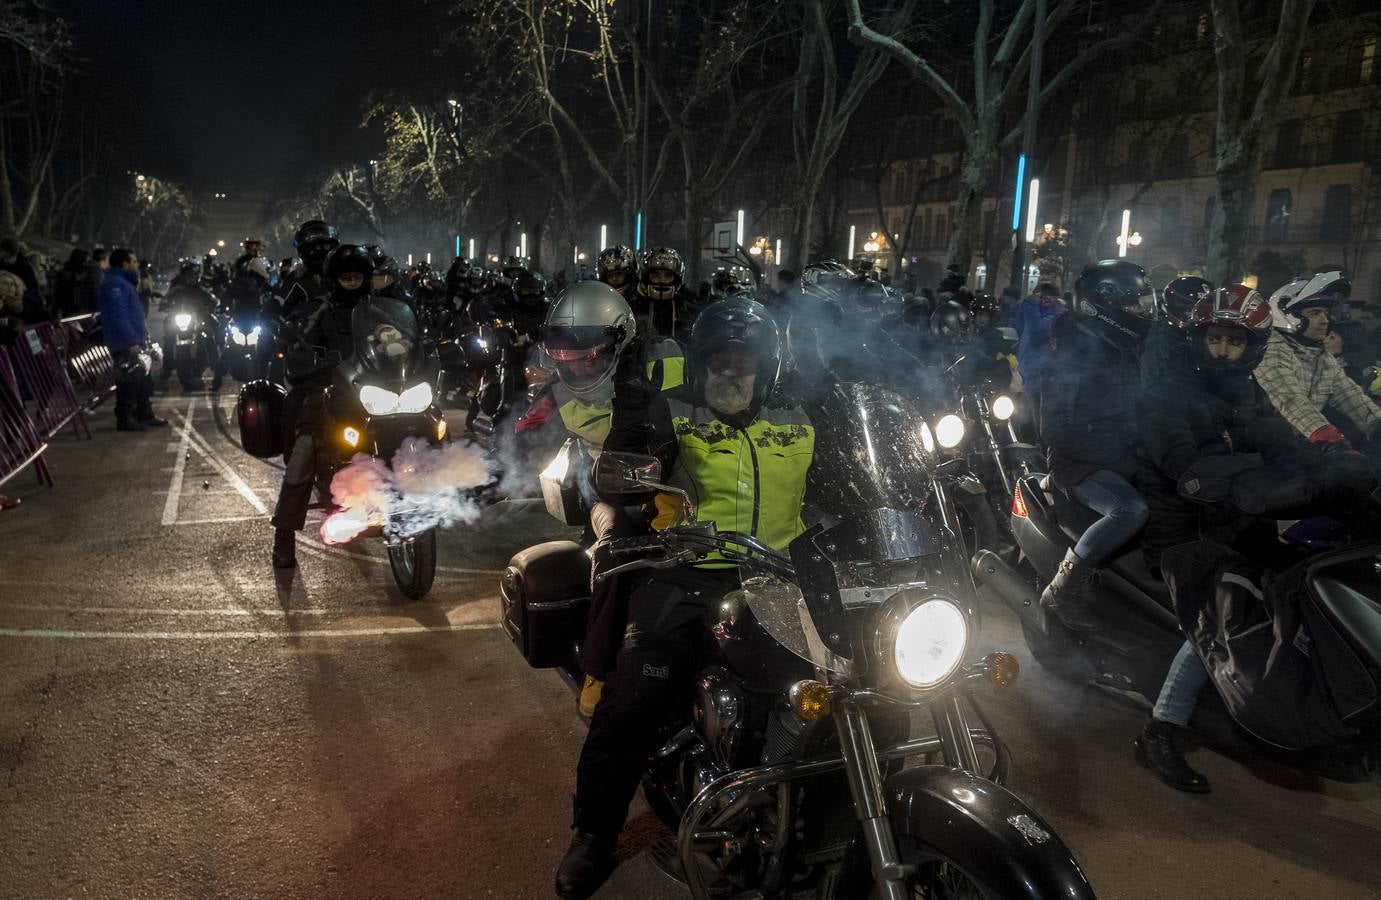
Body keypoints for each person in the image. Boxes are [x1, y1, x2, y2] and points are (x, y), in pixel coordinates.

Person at [555, 297, 814, 899]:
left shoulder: (800, 415)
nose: (731, 369)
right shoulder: (670, 410)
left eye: (744, 359)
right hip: (688, 573)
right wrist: (628, 470)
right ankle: (593, 834)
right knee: (634, 696)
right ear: (699, 363)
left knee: (864, 681)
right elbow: (617, 469)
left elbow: (852, 481)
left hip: (781, 578)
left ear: (766, 366)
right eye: (718, 358)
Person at [1134, 283, 1375, 792]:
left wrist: (1336, 462)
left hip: (1238, 518)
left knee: (1299, 577)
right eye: (1215, 339)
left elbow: (1279, 441)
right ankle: (1161, 728)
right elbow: (1186, 468)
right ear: (1198, 339)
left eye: (1236, 342)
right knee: (1214, 616)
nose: (1224, 351)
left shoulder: (1246, 392)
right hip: (1183, 528)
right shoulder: (1165, 395)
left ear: (1254, 347)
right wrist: (1261, 473)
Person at [518, 281, 685, 715]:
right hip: (613, 491)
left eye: (588, 357)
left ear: (620, 338)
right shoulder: (555, 392)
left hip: (686, 480)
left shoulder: (667, 360)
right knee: (616, 551)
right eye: (565, 360)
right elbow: (517, 439)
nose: (577, 370)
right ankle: (597, 669)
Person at [1037, 261, 1152, 632]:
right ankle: (1062, 589)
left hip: (1120, 456)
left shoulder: (1124, 350)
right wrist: (1117, 453)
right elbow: (1055, 430)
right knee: (1129, 510)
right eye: (1133, 305)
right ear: (1104, 306)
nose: (1141, 312)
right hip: (1078, 463)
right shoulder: (1071, 357)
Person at [270, 245, 373, 568]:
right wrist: (312, 358)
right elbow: (298, 346)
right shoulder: (317, 311)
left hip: (371, 393)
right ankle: (284, 534)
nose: (352, 283)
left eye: (357, 277)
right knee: (302, 456)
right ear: (334, 279)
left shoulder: (378, 309)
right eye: (346, 278)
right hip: (325, 393)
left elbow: (404, 338)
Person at [1257, 271, 1380, 448]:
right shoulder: (1271, 348)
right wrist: (1328, 437)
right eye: (1315, 313)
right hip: (1265, 451)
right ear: (1287, 315)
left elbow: (1352, 397)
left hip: (1300, 447)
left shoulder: (1320, 355)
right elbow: (1290, 399)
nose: (1325, 320)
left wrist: (1376, 424)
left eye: (1325, 313)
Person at [99, 249, 167, 432]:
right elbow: (118, 316)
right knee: (128, 380)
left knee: (143, 379)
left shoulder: (125, 283)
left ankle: (144, 413)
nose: (137, 265)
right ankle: (125, 418)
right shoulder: (116, 284)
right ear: (125, 264)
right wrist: (131, 342)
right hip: (124, 343)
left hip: (135, 340)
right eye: (134, 261)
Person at [1141, 276, 1211, 389]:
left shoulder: (1201, 336)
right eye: (1191, 310)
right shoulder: (1162, 340)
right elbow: (1152, 383)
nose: (1197, 317)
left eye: (1205, 311)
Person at [1015, 281, 1065, 413]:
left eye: (1049, 297)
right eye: (1041, 296)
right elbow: (1019, 327)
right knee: (1022, 415)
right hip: (1025, 371)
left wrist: (1030, 305)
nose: (1044, 300)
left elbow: (1037, 333)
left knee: (1037, 416)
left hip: (1042, 375)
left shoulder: (1057, 314)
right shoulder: (1034, 312)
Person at [633, 246, 696, 341]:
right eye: (655, 275)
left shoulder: (688, 312)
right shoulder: (632, 309)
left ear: (677, 279)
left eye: (668, 275)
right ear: (645, 277)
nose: (661, 280)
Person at [280, 220, 339, 316]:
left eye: (325, 245)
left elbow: (367, 301)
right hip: (309, 328)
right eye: (313, 249)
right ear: (303, 252)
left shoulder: (347, 273)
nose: (320, 251)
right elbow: (278, 303)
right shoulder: (296, 279)